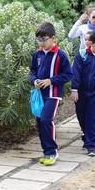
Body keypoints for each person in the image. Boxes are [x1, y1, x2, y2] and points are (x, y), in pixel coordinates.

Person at [30, 22, 72, 165]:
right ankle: (46, 151)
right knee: (39, 122)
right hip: (39, 94)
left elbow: (68, 75)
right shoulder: (37, 54)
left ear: (53, 39)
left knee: (46, 120)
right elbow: (32, 71)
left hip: (52, 94)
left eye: (44, 39)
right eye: (39, 40)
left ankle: (52, 152)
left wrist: (51, 81)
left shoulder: (61, 55)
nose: (41, 43)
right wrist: (34, 80)